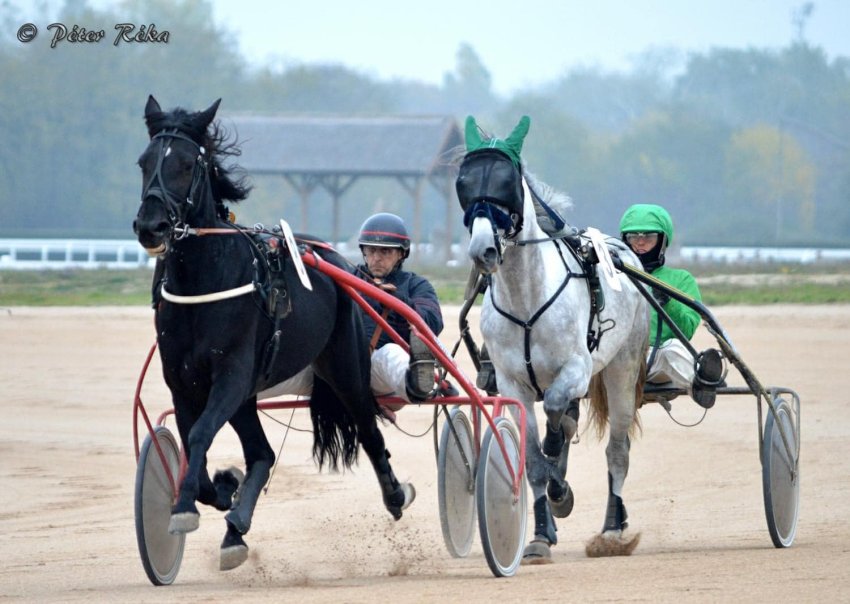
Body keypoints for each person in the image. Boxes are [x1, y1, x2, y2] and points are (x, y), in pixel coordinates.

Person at [258, 212, 444, 413]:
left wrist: (397, 299)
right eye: (371, 251)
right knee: (258, 378)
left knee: (392, 354)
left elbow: (431, 323)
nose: (376, 259)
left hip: (373, 369)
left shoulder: (416, 285)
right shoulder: (345, 276)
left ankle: (417, 384)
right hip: (326, 368)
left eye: (385, 252)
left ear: (401, 254)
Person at [619, 203, 723, 408]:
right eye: (633, 237)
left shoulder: (681, 280)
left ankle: (700, 385)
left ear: (662, 240)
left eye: (648, 237)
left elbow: (686, 329)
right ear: (625, 240)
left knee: (674, 348)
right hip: (616, 358)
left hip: (655, 360)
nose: (640, 243)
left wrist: (668, 302)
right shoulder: (613, 276)